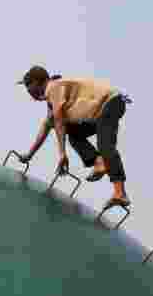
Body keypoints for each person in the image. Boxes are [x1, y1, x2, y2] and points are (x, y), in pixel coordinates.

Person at [16, 66, 132, 209]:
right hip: (97, 114)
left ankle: (120, 193)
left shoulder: (53, 87)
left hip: (109, 103)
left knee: (105, 145)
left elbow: (58, 121)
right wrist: (29, 155)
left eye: (29, 85)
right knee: (74, 133)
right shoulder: (53, 98)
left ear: (38, 82)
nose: (28, 91)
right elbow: (47, 126)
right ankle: (99, 162)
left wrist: (62, 154)